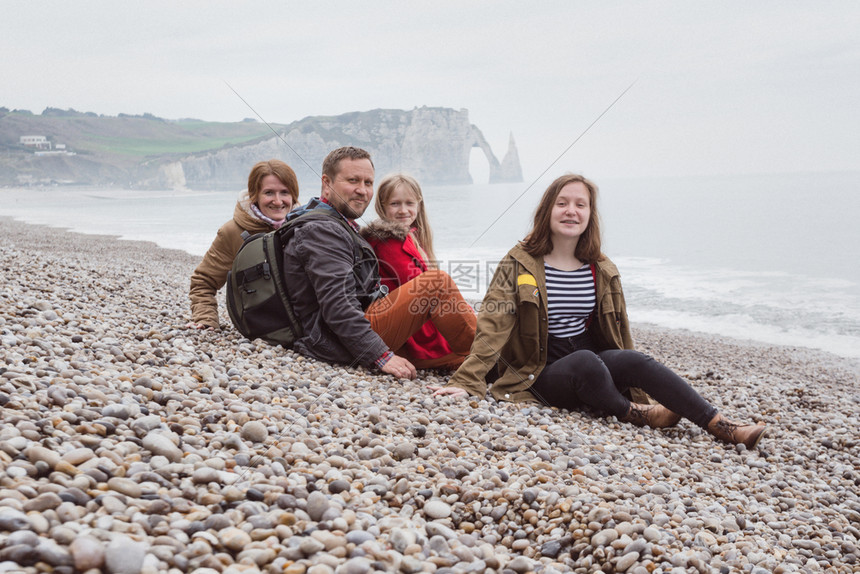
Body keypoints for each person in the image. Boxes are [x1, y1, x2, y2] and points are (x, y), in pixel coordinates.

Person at [433, 173, 767, 449]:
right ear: (547, 211)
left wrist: (634, 377)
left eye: (580, 205)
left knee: (635, 359)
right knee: (587, 363)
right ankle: (633, 413)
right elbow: (493, 323)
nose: (571, 211)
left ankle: (721, 425)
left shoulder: (602, 268)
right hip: (539, 370)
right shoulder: (518, 262)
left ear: (590, 214)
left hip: (589, 356)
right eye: (562, 203)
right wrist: (468, 379)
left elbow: (620, 336)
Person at [282, 147, 476, 378]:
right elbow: (337, 306)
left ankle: (493, 357)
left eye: (367, 182)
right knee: (436, 283)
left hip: (357, 329)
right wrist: (381, 355)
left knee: (477, 340)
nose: (362, 190)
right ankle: (491, 357)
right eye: (353, 180)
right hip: (337, 340)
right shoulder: (322, 230)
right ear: (327, 182)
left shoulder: (333, 222)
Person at [361, 173, 460, 367]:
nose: (403, 210)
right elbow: (421, 290)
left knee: (488, 327)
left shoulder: (413, 239)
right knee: (483, 350)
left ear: (419, 205)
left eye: (409, 203)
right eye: (395, 204)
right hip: (415, 340)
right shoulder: (388, 241)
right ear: (382, 206)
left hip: (418, 330)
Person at [187, 159, 299, 329]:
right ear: (254, 195)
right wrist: (206, 319)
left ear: (294, 196)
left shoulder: (307, 227)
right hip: (262, 330)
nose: (277, 201)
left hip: (308, 329)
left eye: (284, 192)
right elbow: (203, 282)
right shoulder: (232, 232)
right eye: (269, 193)